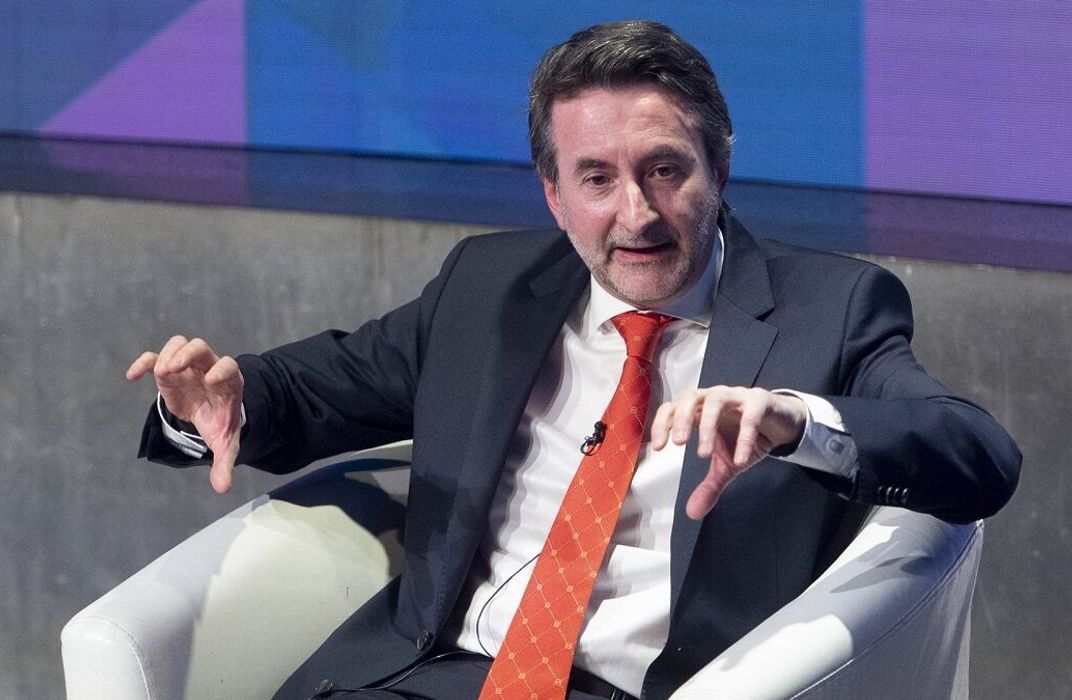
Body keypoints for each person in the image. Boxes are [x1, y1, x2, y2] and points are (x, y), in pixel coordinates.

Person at [127, 20, 1020, 700]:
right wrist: (214, 405)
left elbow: (978, 454)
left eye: (665, 170)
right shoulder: (489, 287)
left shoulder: (829, 308)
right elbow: (318, 387)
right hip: (428, 676)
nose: (635, 214)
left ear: (719, 169)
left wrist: (799, 422)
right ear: (553, 194)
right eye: (596, 178)